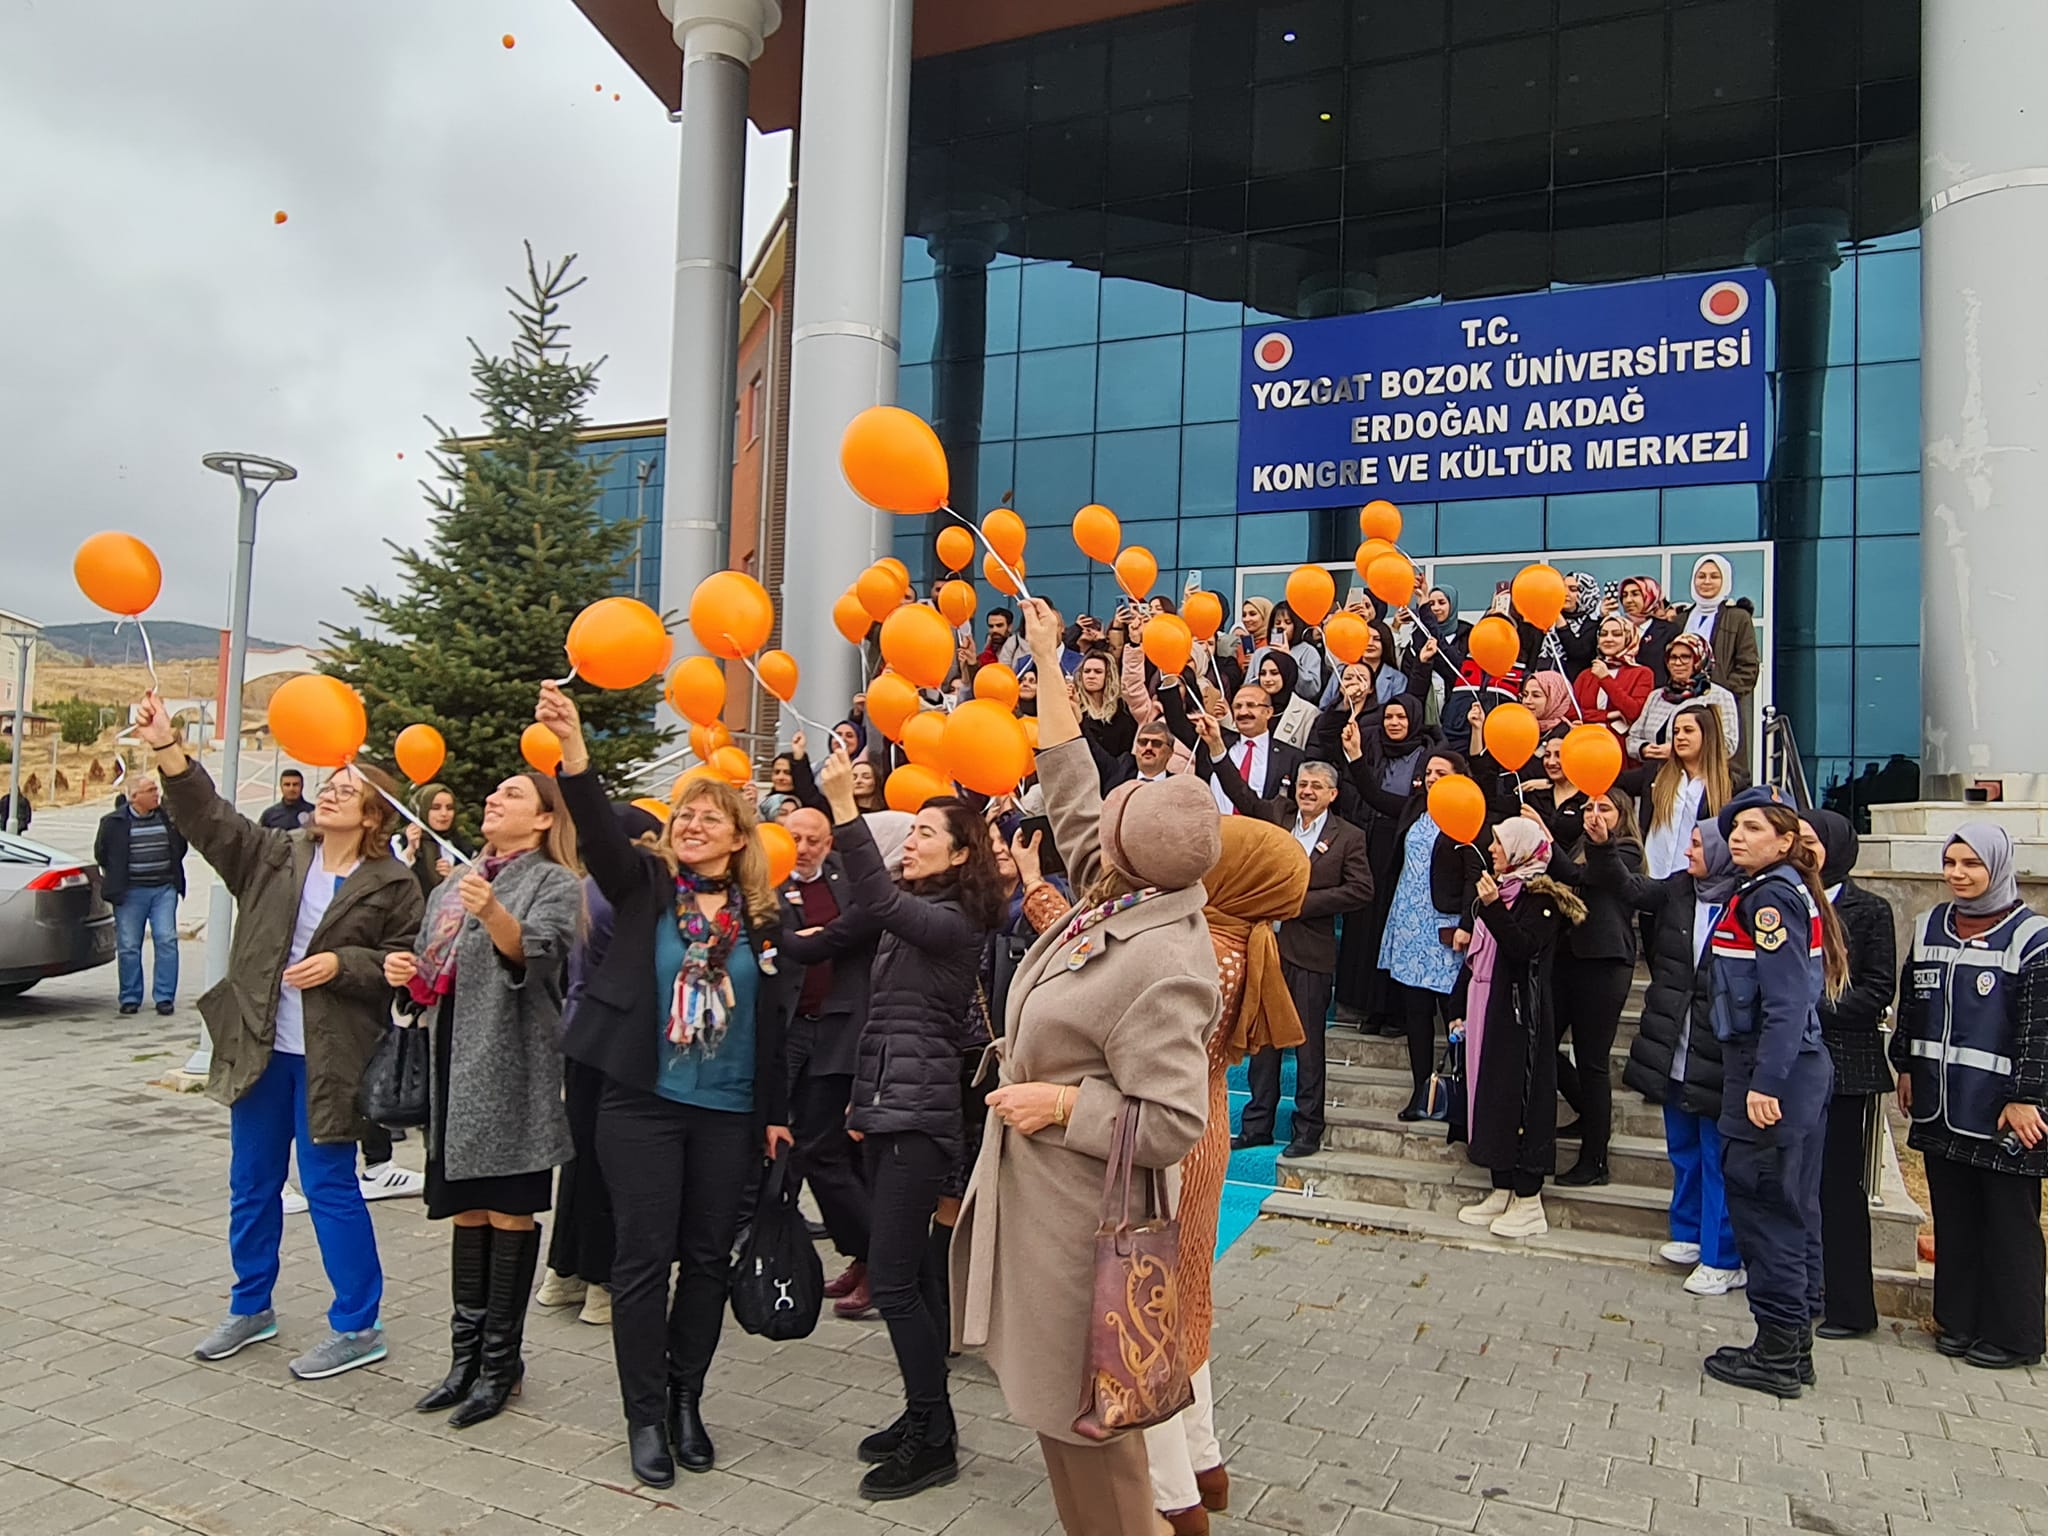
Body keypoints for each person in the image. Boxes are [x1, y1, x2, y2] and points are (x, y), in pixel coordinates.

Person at [952, 595, 1221, 1536]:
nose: (1095, 822)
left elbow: (1174, 1121)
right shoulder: (1119, 895)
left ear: (1133, 848)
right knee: (1060, 1426)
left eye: (1117, 816)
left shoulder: (1167, 960)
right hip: (1041, 1210)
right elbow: (1069, 787)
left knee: (1097, 1440)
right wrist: (1046, 658)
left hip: (1084, 1225)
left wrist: (1064, 1105)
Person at [539, 682, 796, 1489]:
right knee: (643, 1261)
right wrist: (573, 749)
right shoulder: (645, 887)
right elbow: (600, 833)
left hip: (728, 1115)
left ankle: (688, 1401)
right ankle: (645, 1415)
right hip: (641, 1104)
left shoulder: (765, 919)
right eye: (685, 814)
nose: (692, 825)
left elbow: (779, 1024)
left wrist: (776, 1115)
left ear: (740, 837)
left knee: (707, 1262)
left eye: (710, 817)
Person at [131, 696, 423, 1381]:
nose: (331, 793)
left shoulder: (394, 883)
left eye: (348, 790)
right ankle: (250, 1305)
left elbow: (403, 962)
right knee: (252, 1182)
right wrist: (169, 748)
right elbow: (208, 817)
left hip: (331, 1058)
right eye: (331, 785)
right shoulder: (275, 853)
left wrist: (342, 964)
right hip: (260, 1046)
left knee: (329, 1186)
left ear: (373, 815)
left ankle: (358, 1324)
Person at [802, 755, 999, 1502]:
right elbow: (879, 1016)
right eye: (908, 830)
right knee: (909, 1272)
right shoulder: (911, 913)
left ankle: (934, 1436)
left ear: (961, 854)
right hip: (889, 1107)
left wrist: (843, 810)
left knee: (891, 1279)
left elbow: (879, 899)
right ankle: (926, 1413)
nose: (909, 841)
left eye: (924, 833)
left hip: (921, 1118)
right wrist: (860, 1101)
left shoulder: (951, 922)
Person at [389, 770, 582, 1428]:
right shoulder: (455, 882)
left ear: (545, 819)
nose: (494, 800)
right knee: (466, 1213)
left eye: (513, 795)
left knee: (508, 1213)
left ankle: (501, 1366)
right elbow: (432, 971)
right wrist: (405, 971)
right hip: (454, 1069)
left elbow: (539, 954)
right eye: (494, 793)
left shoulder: (554, 881)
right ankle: (463, 1362)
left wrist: (494, 911)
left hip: (513, 1071)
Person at [1148, 816, 1307, 1534]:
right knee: (1187, 1298)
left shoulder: (1204, 949)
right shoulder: (1242, 939)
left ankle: (1172, 1494)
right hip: (1205, 1131)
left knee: (1151, 1312)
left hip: (1173, 1143)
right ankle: (1203, 1459)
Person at [1703, 788, 1847, 1397]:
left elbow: (1787, 1002)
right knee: (1786, 1207)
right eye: (1735, 827)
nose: (1738, 837)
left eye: (1755, 828)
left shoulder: (1770, 898)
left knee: (1767, 1209)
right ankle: (1793, 1348)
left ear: (1786, 840)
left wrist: (1765, 1083)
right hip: (1785, 1068)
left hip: (1772, 1073)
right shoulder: (1774, 888)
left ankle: (1779, 1353)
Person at [1891, 822, 2047, 1369]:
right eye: (1950, 863)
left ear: (1998, 867)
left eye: (1971, 864)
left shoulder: (2033, 937)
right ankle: (1957, 1321)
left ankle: (2015, 1336)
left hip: (2003, 1110)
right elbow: (1913, 1004)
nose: (1957, 874)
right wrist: (1906, 1066)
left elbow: (2040, 1028)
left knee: (2008, 1225)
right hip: (1941, 1103)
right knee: (1953, 1216)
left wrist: (2027, 1096)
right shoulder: (1930, 925)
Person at [1589, 816, 1747, 1297]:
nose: (1688, 852)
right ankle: (1689, 1232)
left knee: (1716, 1154)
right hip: (1675, 1039)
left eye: (1697, 845)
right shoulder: (1680, 889)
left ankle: (1723, 1257)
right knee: (1683, 1147)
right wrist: (1603, 847)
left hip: (1718, 1047)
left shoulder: (1748, 901)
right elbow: (1632, 888)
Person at [540, 801, 664, 1329]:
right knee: (613, 1163)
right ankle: (602, 1281)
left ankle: (564, 1271)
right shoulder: (625, 893)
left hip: (582, 1033)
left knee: (580, 1160)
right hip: (619, 1039)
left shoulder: (586, 889)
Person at [774, 800, 882, 1320]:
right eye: (793, 837)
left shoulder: (850, 880)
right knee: (802, 1146)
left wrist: (798, 941)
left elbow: (852, 934)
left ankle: (879, 1260)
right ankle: (865, 1255)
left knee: (825, 1149)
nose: (802, 848)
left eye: (812, 840)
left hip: (840, 1029)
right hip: (789, 1026)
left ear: (829, 843)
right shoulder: (766, 881)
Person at [1455, 818, 1581, 1239]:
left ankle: (1529, 1199)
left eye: (1499, 843)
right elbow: (1480, 954)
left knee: (1520, 1098)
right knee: (1491, 1093)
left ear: (1520, 849)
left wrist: (1492, 908)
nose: (1492, 850)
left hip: (1520, 1014)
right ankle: (1502, 1185)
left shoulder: (1541, 898)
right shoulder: (1501, 891)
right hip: (1488, 1005)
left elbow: (1523, 948)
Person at [1797, 808, 1896, 1341]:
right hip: (1791, 1063)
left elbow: (1877, 988)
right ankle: (1800, 1288)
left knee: (1837, 1187)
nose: (1801, 850)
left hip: (1843, 1066)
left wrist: (1807, 1009)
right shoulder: (1785, 900)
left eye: (1810, 841)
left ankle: (1850, 1306)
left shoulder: (1870, 910)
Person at [1237, 763, 1370, 1158]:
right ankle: (1257, 1125)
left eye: (1316, 786)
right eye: (1302, 784)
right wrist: (1215, 748)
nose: (1307, 791)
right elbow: (1241, 795)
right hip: (1268, 948)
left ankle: (1308, 1130)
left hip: (1310, 952)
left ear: (1333, 794)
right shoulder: (1279, 817)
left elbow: (1361, 889)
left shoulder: (1349, 836)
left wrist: (1300, 903)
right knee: (1263, 1041)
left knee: (1308, 1045)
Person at [1356, 749, 1481, 1118]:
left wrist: (1467, 923)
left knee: (1455, 1012)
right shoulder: (1415, 807)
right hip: (1409, 922)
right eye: (1428, 772)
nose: (1432, 778)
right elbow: (1373, 795)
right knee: (1416, 1013)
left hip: (1446, 926)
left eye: (1441, 772)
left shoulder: (1467, 812)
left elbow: (1473, 875)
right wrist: (1354, 755)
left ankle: (1464, 1098)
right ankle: (1422, 1093)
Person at [1543, 791, 1644, 1187]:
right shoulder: (1578, 845)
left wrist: (1545, 838)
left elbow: (1584, 876)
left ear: (1622, 814)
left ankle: (1595, 1159)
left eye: (1604, 808)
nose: (1593, 814)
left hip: (1604, 961)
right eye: (1588, 807)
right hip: (1566, 958)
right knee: (1543, 1043)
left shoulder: (1627, 850)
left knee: (1593, 1060)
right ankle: (1586, 1109)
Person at [1334, 695, 1440, 1034]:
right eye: (1389, 717)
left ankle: (1397, 1012)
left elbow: (1394, 801)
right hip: (1373, 839)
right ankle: (1372, 1008)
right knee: (1370, 926)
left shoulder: (1429, 754)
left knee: (1396, 928)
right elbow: (1367, 793)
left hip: (1408, 845)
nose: (1394, 723)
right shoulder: (1375, 746)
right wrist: (1355, 754)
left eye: (1401, 717)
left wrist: (1356, 759)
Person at [95, 771, 189, 1016]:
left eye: (156, 789)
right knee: (128, 945)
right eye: (150, 791)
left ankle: (164, 997)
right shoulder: (113, 823)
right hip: (130, 893)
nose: (156, 794)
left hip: (163, 889)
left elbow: (179, 847)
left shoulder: (168, 818)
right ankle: (130, 997)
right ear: (134, 797)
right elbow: (102, 854)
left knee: (166, 939)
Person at [1633, 703, 1739, 883]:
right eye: (1676, 732)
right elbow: (1615, 782)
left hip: (1695, 881)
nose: (1679, 737)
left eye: (1688, 730)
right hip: (1651, 877)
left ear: (1707, 735)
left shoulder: (1732, 782)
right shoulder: (1655, 772)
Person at [1673, 555, 1760, 764]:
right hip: (1681, 703)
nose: (1707, 581)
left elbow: (1748, 666)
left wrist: (1720, 694)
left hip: (1721, 707)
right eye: (1701, 576)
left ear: (1725, 580)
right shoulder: (1681, 619)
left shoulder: (1738, 617)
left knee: (1720, 761)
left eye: (1714, 576)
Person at [1627, 633, 1738, 763]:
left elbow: (1728, 745)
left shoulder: (1719, 696)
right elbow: (1633, 738)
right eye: (1673, 657)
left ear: (1700, 660)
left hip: (1699, 771)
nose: (1677, 663)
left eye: (1685, 657)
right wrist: (1644, 749)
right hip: (1656, 770)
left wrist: (1677, 751)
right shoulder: (1657, 696)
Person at [1213, 684, 1303, 815]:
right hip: (1218, 824)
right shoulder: (1216, 745)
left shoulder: (1291, 757)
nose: (1243, 712)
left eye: (1251, 705)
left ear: (1268, 712)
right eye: (1237, 706)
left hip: (1264, 826)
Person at [1573, 616, 1655, 738]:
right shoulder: (1586, 675)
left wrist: (1605, 679)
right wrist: (1608, 715)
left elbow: (1634, 712)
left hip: (1619, 743)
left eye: (1616, 634)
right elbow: (1573, 713)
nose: (1608, 639)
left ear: (1629, 638)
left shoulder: (1642, 673)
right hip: (1586, 740)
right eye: (1603, 634)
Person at [1073, 651, 1136, 761]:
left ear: (1108, 675)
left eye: (1098, 672)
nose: (1091, 676)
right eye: (1087, 671)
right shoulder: (1074, 707)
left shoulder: (1122, 709)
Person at [1251, 649, 1318, 750]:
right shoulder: (1250, 707)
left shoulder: (1309, 712)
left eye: (1274, 673)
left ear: (1287, 674)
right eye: (1263, 673)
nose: (1267, 679)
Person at [404, 783, 461, 902]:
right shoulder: (400, 841)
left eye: (449, 808)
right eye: (436, 808)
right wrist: (410, 850)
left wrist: (455, 876)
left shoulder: (461, 848)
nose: (444, 814)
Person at [1614, 575, 1676, 683]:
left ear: (1650, 595)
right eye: (1624, 595)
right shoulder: (1616, 629)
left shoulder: (1669, 631)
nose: (1628, 600)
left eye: (1635, 594)